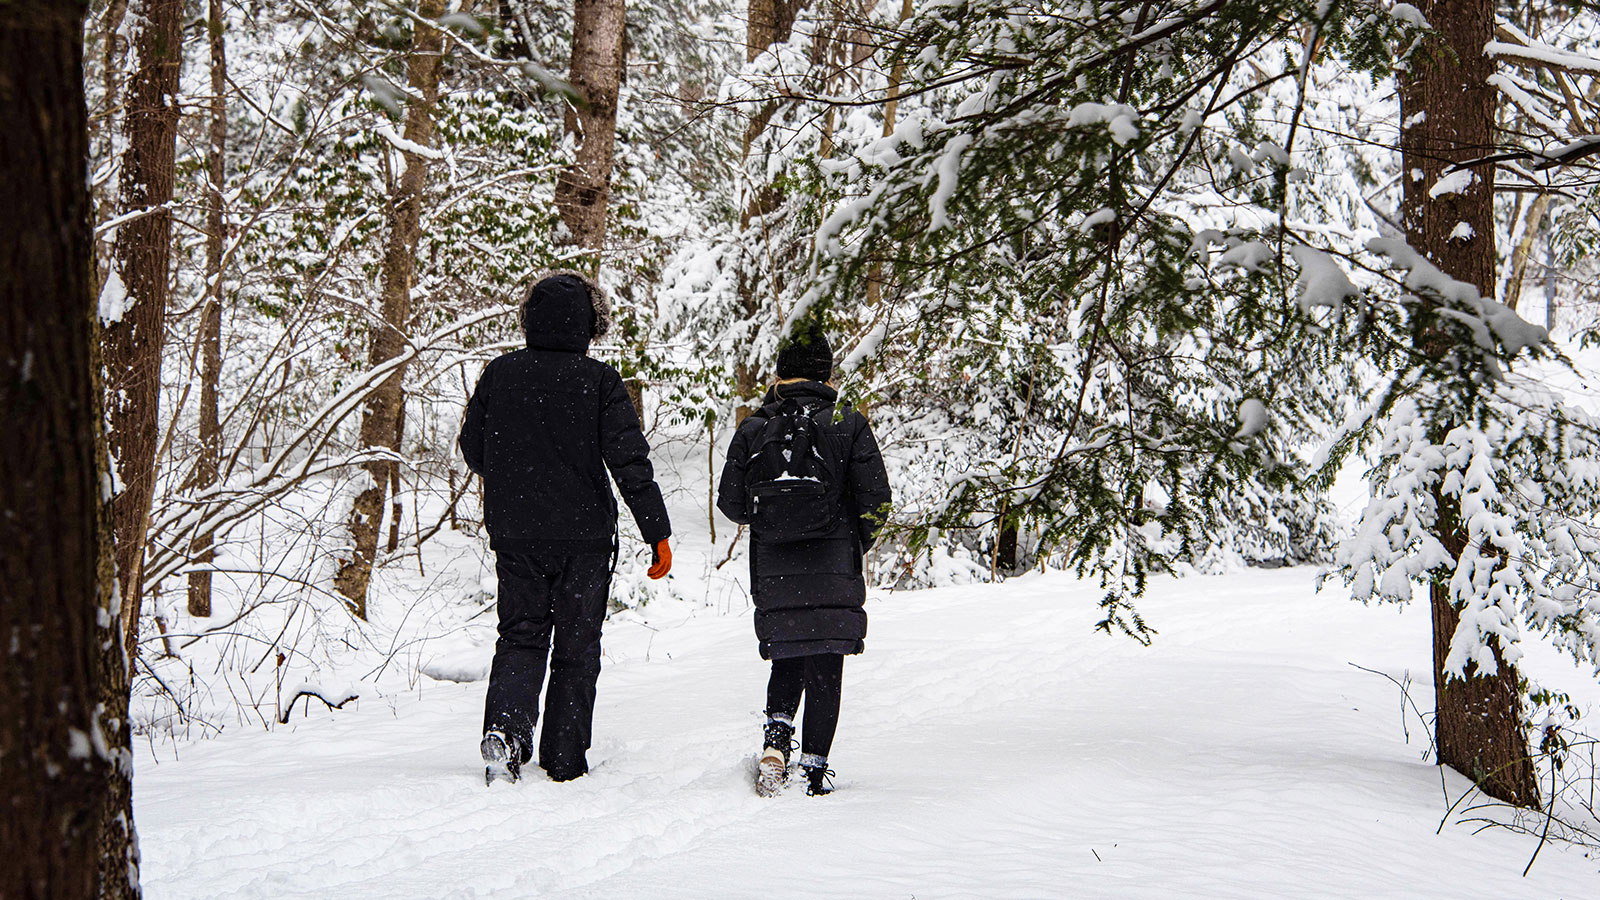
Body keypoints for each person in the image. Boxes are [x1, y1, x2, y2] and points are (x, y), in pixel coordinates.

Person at [459, 270, 671, 784]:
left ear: (529, 318)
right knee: (578, 646)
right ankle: (564, 757)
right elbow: (629, 461)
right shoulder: (598, 381)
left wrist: (517, 479)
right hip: (585, 539)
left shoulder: (500, 374)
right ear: (589, 324)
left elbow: (472, 449)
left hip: (516, 535)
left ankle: (507, 733)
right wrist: (656, 532)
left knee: (520, 637)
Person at [716, 319, 892, 796]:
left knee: (787, 656)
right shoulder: (848, 422)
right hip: (836, 565)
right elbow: (876, 499)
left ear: (780, 374)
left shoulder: (755, 426)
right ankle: (813, 769)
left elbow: (731, 504)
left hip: (776, 570)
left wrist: (774, 520)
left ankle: (775, 746)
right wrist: (853, 543)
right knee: (827, 666)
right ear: (826, 372)